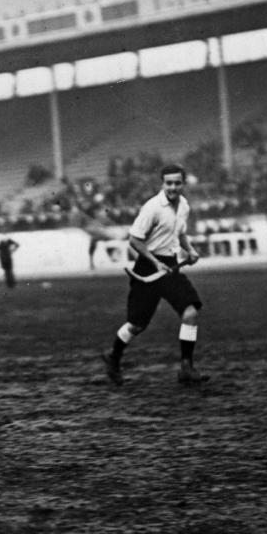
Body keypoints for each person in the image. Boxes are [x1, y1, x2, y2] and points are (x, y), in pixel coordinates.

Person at [101, 164, 208, 386]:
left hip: (170, 267)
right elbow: (134, 240)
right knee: (136, 325)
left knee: (190, 313)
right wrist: (155, 263)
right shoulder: (152, 208)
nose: (173, 187)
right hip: (148, 268)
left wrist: (190, 250)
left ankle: (186, 368)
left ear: (183, 184)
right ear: (162, 184)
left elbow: (180, 233)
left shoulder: (184, 206)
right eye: (169, 183)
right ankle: (114, 356)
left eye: (177, 183)